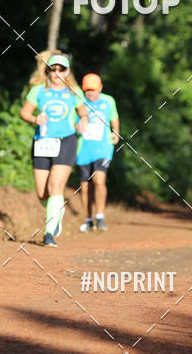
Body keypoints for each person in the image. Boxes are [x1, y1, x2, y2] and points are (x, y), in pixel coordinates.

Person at [20, 51, 88, 247]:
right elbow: (24, 112)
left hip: (66, 141)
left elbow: (83, 113)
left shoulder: (74, 91)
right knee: (43, 194)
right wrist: (35, 119)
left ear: (67, 72)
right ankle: (57, 210)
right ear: (47, 71)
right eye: (53, 69)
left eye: (61, 69)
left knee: (55, 187)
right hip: (42, 142)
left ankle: (49, 233)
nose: (57, 72)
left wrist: (83, 121)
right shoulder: (38, 91)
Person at [75, 73, 120, 232]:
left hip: (103, 148)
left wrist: (116, 131)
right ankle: (88, 220)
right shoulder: (79, 103)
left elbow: (114, 117)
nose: (90, 93)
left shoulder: (108, 101)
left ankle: (100, 217)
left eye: (93, 89)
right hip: (83, 149)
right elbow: (72, 122)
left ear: (100, 88)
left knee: (99, 180)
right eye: (87, 90)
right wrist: (78, 127)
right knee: (85, 187)